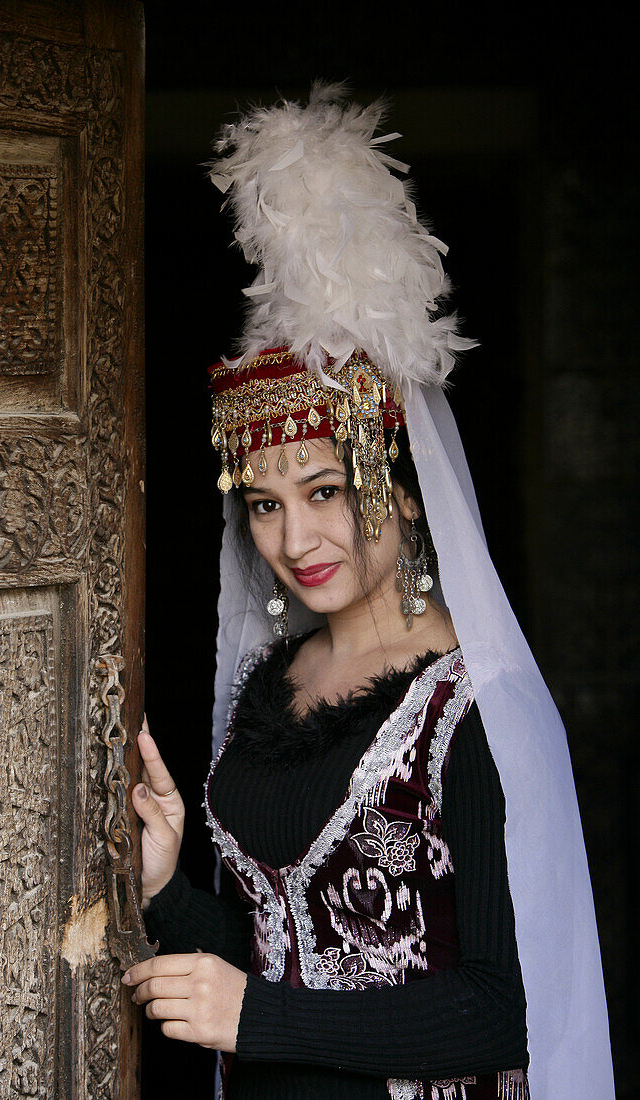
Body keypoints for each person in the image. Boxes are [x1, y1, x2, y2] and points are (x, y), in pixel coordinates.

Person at [122, 87, 614, 1099]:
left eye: (326, 491)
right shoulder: (277, 677)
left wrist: (256, 1016)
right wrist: (169, 882)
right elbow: (278, 947)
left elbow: (504, 1005)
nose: (293, 537)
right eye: (261, 503)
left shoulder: (474, 706)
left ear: (407, 488)